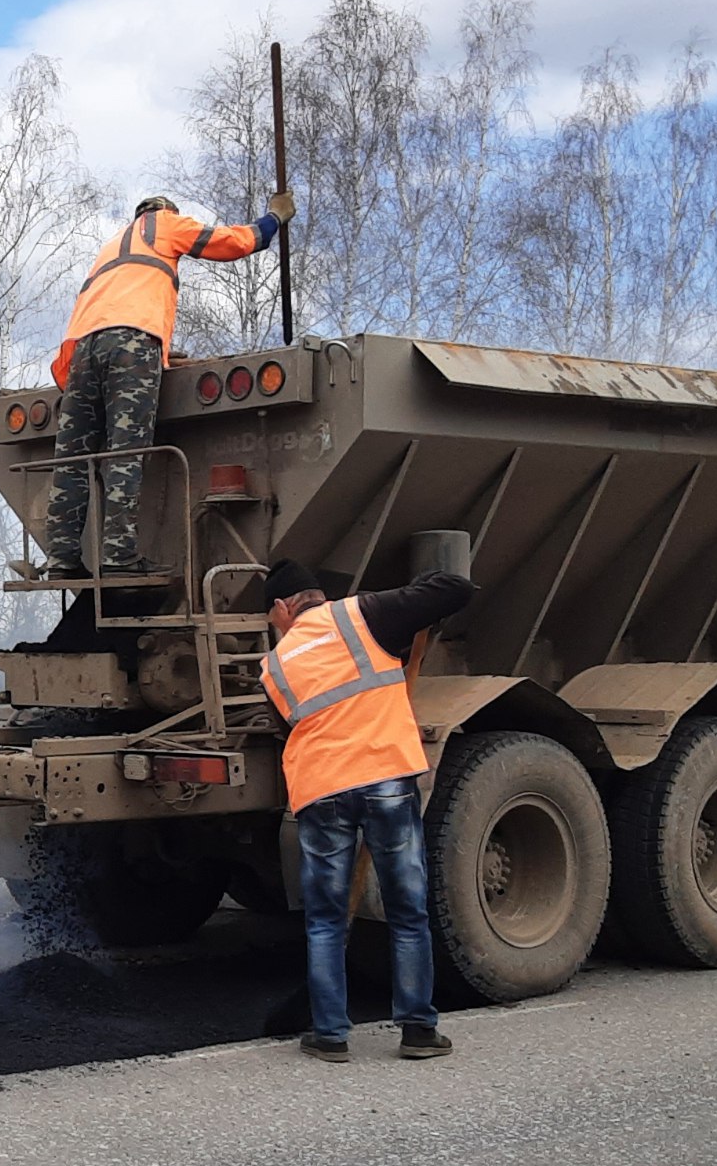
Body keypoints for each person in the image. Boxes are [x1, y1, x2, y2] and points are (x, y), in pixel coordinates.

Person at [259, 559, 475, 1063]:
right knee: (406, 912)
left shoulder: (274, 663)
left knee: (325, 920)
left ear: (280, 610)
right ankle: (418, 1030)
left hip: (322, 790)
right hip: (385, 781)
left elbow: (284, 724)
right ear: (314, 595)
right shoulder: (364, 615)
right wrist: (414, 594)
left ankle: (330, 1034)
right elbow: (455, 588)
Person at [41, 191, 295, 578]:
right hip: (132, 342)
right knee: (124, 453)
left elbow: (112, 310)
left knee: (74, 459)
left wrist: (160, 352)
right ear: (165, 213)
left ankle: (61, 561)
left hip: (83, 352)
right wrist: (273, 220)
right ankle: (119, 559)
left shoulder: (111, 248)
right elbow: (232, 242)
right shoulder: (163, 224)